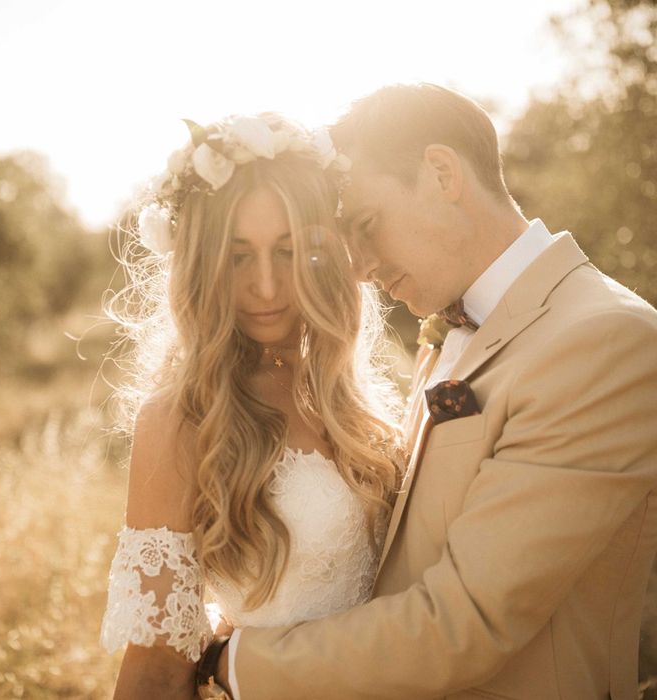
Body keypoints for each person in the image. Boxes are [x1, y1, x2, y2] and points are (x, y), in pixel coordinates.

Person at [214, 84, 657, 699]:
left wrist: (235, 663)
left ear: (442, 172)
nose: (360, 267)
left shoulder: (604, 341)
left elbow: (464, 622)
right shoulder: (457, 326)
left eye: (366, 226)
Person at [98, 113, 403, 699]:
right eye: (239, 256)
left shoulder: (357, 398)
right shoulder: (181, 419)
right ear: (203, 263)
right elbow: (158, 668)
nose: (265, 286)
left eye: (288, 252)